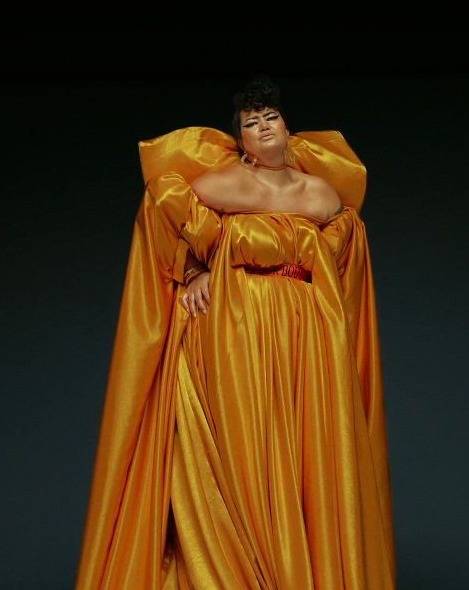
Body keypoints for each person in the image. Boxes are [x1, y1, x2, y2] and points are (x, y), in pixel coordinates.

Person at [74, 75, 396, 589]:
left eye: (271, 116)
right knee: (243, 450)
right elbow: (165, 204)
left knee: (302, 452)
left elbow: (343, 260)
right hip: (236, 326)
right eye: (251, 122)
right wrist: (194, 272)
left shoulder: (321, 195)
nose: (264, 125)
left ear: (288, 129)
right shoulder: (226, 184)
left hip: (304, 335)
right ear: (241, 142)